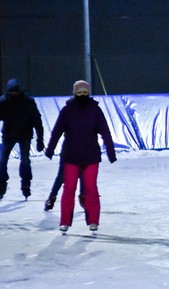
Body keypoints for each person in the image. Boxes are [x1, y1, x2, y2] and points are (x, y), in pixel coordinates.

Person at [44, 80, 117, 234]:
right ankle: (65, 221)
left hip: (90, 156)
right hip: (71, 156)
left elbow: (105, 132)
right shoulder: (67, 110)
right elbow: (56, 131)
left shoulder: (95, 110)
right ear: (74, 93)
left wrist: (111, 152)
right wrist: (50, 148)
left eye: (85, 92)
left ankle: (93, 220)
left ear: (88, 93)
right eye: (79, 92)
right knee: (69, 189)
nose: (82, 95)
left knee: (90, 188)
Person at [0, 78, 44, 201]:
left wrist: (40, 139)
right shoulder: (4, 101)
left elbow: (37, 120)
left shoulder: (27, 102)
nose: (13, 95)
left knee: (24, 159)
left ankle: (25, 183)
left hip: (24, 134)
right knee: (3, 160)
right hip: (10, 135)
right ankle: (2, 183)